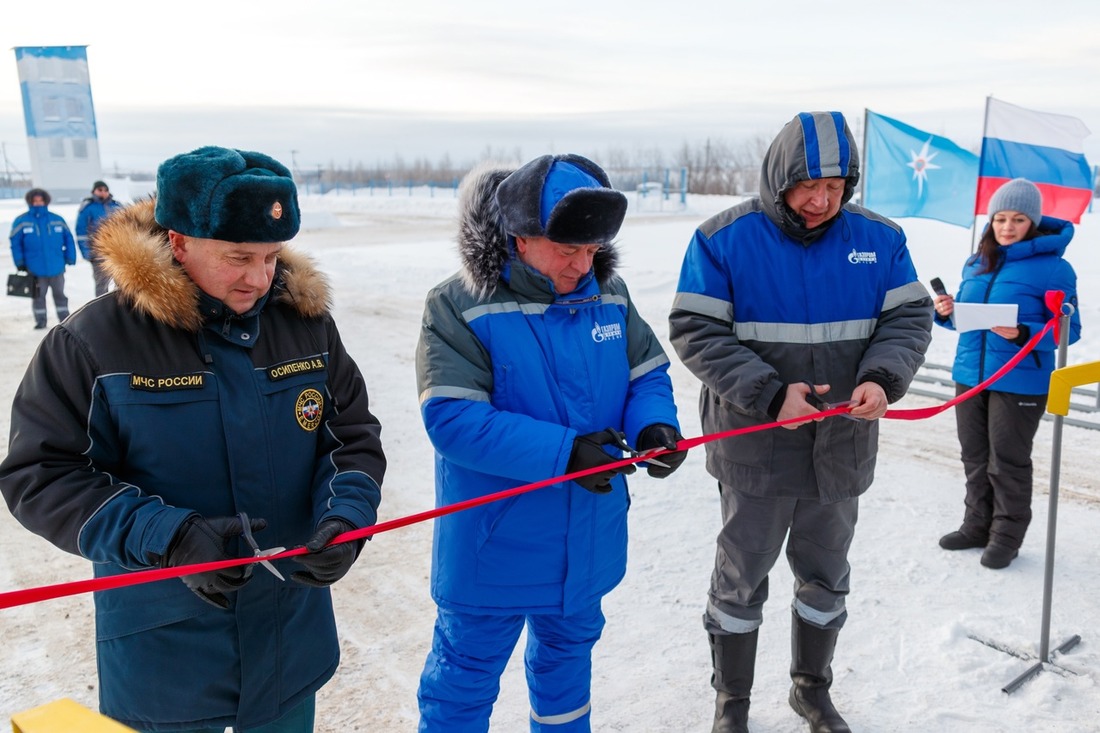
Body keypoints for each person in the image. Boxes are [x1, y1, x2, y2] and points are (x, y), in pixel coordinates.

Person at [0, 146, 387, 733]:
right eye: (238, 258)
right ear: (177, 242)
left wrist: (347, 518)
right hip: (167, 661)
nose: (259, 279)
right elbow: (41, 474)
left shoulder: (305, 324)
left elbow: (350, 435)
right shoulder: (92, 342)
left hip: (289, 648)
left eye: (271, 257)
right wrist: (169, 538)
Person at [669, 111, 933, 733]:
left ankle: (811, 691)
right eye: (808, 187)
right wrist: (767, 394)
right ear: (778, 177)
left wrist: (882, 378)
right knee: (741, 578)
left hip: (841, 448)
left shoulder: (881, 240)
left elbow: (908, 321)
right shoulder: (723, 238)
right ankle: (731, 703)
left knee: (825, 574)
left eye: (835, 189)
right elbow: (694, 329)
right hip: (756, 448)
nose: (821, 201)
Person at [415, 153, 687, 732]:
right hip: (496, 545)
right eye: (568, 250)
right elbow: (454, 420)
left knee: (567, 674)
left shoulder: (608, 294)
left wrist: (654, 426)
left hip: (586, 537)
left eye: (591, 250)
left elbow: (646, 374)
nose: (582, 264)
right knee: (461, 684)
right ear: (520, 237)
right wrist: (564, 453)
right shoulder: (458, 305)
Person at [933, 178, 1080, 570]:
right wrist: (947, 312)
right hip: (971, 372)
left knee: (1007, 461)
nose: (1007, 227)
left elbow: (1070, 329)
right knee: (975, 457)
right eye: (1000, 218)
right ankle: (976, 525)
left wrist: (1024, 334)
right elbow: (967, 320)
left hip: (1020, 378)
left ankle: (1006, 535)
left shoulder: (1055, 269)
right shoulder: (978, 261)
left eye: (1017, 219)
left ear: (1032, 222)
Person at [9, 187, 76, 329]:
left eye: (41, 200)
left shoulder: (57, 219)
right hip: (34, 268)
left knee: (60, 294)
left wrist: (70, 256)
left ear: (46, 201)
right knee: (38, 296)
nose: (38, 203)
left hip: (57, 266)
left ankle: (65, 320)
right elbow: (15, 244)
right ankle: (41, 320)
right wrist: (19, 262)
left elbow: (68, 239)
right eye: (35, 201)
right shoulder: (21, 221)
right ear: (30, 202)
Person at [76, 179, 125, 295]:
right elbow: (81, 232)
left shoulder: (117, 205)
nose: (103, 192)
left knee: (122, 283)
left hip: (118, 252)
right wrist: (87, 253)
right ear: (94, 191)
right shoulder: (87, 208)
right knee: (102, 285)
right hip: (98, 253)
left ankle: (121, 309)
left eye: (105, 190)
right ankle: (102, 310)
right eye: (100, 190)